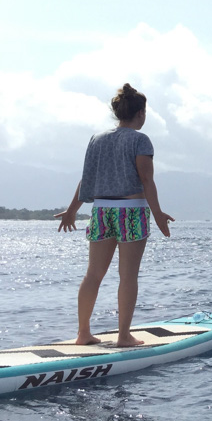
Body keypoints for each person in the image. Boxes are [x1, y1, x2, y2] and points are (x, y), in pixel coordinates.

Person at [55, 84, 174, 347]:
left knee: (93, 274)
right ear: (140, 113)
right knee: (128, 276)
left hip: (101, 211)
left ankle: (83, 333)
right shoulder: (140, 140)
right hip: (130, 212)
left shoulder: (97, 139)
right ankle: (123, 336)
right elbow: (146, 179)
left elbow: (87, 179)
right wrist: (157, 214)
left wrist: (73, 210)